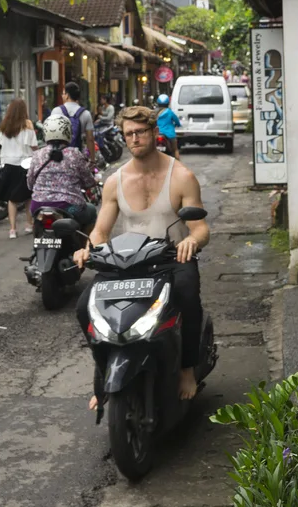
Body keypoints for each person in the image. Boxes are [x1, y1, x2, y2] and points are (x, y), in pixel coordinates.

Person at [74, 106, 209, 402]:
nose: (134, 139)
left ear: (154, 133)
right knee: (86, 306)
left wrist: (192, 242)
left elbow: (200, 229)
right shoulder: (115, 181)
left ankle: (187, 368)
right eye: (129, 134)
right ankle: (104, 373)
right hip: (128, 262)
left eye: (140, 132)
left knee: (188, 294)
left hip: (171, 259)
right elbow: (100, 231)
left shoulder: (181, 176)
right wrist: (87, 249)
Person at [27, 115, 97, 230]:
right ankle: (86, 246)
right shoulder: (75, 154)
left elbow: (30, 183)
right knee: (92, 211)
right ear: (68, 132)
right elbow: (89, 182)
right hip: (69, 207)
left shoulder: (37, 155)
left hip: (37, 207)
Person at [0, 99, 37, 239]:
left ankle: (12, 230)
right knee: (28, 197)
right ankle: (29, 224)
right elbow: (34, 145)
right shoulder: (27, 125)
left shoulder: (4, 126)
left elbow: (0, 144)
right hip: (24, 164)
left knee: (12, 199)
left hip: (8, 164)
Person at [50, 81, 96, 160]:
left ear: (67, 96)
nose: (62, 96)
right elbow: (90, 139)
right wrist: (92, 160)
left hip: (59, 157)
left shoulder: (56, 111)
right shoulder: (86, 113)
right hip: (77, 156)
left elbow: (51, 136)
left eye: (63, 93)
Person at [156, 93, 182, 160]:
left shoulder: (154, 112)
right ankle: (178, 165)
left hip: (156, 134)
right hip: (169, 134)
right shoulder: (170, 112)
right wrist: (178, 125)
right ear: (168, 103)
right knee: (175, 149)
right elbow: (177, 121)